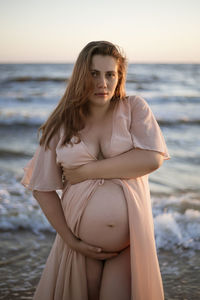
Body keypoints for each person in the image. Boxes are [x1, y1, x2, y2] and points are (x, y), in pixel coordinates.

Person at [21, 40, 170, 300]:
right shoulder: (63, 122)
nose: (102, 82)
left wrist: (88, 171)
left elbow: (152, 158)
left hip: (128, 247)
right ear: (81, 76)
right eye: (93, 74)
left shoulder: (134, 108)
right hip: (79, 248)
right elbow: (41, 188)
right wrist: (71, 240)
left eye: (110, 74)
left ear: (119, 76)